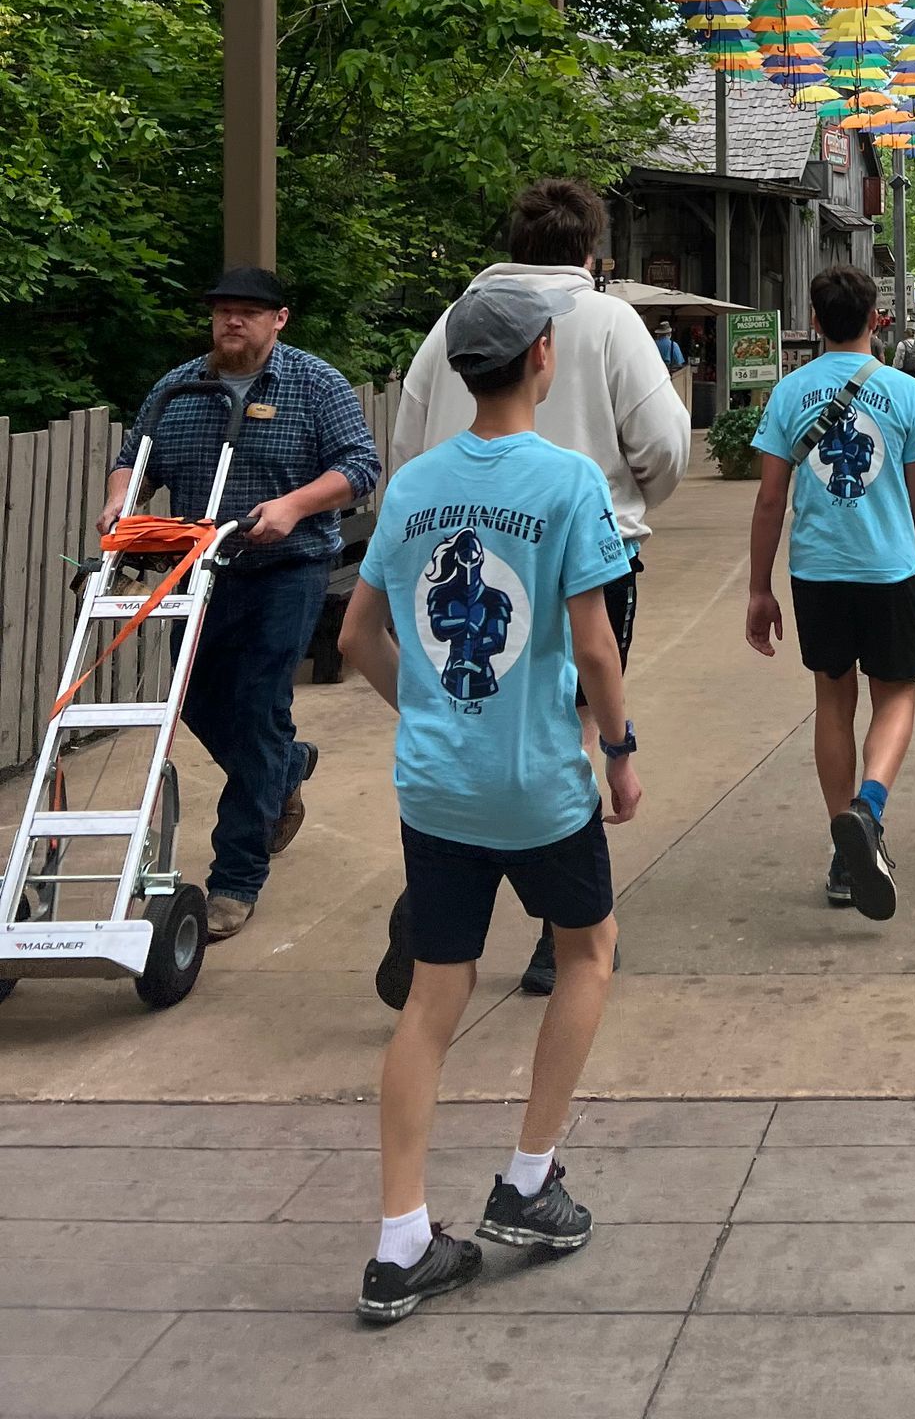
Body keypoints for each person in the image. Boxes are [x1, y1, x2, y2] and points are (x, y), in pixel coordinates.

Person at [341, 279, 640, 1324]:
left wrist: (423, 710)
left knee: (435, 996)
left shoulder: (416, 485)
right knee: (588, 949)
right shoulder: (567, 482)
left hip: (438, 782)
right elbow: (595, 644)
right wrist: (621, 751)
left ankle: (399, 1240)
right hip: (539, 783)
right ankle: (527, 1178)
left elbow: (356, 637)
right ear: (544, 357)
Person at [389, 177, 689, 997]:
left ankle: (439, 893)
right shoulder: (608, 320)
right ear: (591, 249)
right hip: (588, 545)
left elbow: (410, 441)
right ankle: (564, 930)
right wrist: (629, 501)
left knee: (477, 706)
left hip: (461, 541)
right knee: (578, 723)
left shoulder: (452, 324)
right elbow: (664, 442)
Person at [100, 267, 381, 942]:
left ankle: (235, 876)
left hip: (288, 570)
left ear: (278, 320)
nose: (232, 323)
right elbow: (133, 456)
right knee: (192, 700)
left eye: (247, 313)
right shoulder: (179, 388)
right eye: (223, 311)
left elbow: (361, 465)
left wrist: (291, 506)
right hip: (200, 572)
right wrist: (120, 499)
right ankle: (286, 769)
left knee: (256, 706)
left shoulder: (315, 384)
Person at [747, 266, 915, 919]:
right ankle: (870, 808)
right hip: (888, 568)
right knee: (896, 697)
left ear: (814, 316)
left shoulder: (788, 393)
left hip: (817, 571)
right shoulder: (907, 393)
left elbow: (771, 497)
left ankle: (842, 854)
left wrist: (759, 588)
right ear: (874, 317)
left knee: (833, 702)